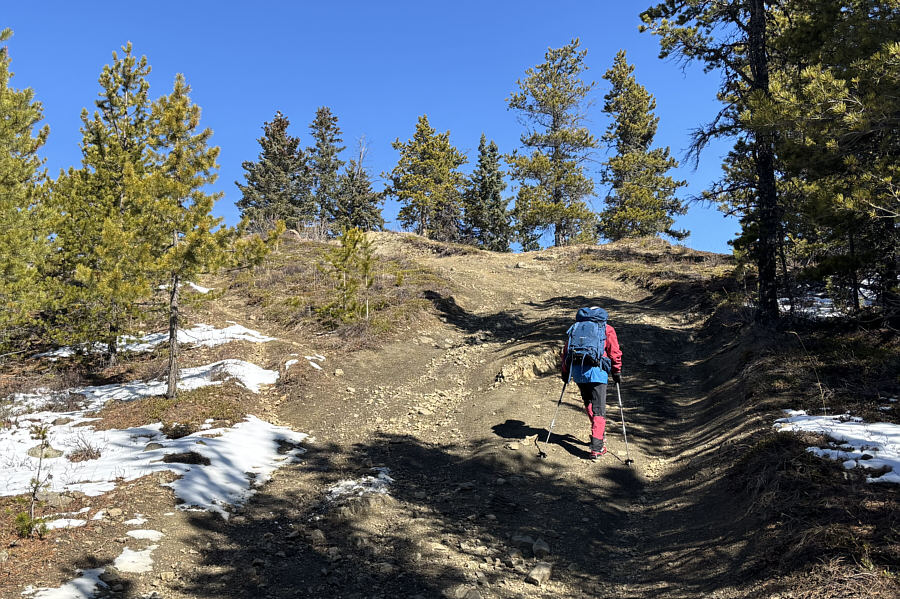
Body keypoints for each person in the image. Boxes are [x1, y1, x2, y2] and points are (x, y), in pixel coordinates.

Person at [561, 308, 623, 460]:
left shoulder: (575, 327)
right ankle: (597, 447)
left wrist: (565, 372)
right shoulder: (606, 328)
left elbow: (566, 352)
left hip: (578, 372)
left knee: (588, 402)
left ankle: (598, 435)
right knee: (599, 409)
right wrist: (616, 371)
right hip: (597, 372)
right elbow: (614, 352)